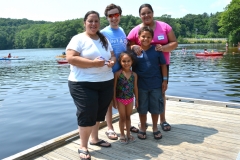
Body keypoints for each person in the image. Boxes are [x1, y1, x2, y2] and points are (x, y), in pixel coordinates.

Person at [66, 10, 116, 160]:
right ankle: (83, 146)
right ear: (85, 23)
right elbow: (70, 58)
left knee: (99, 113)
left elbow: (112, 54)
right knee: (87, 113)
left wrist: (112, 61)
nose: (93, 24)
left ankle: (95, 139)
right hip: (82, 83)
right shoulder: (78, 39)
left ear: (100, 23)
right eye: (90, 21)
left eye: (96, 21)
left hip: (105, 81)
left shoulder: (104, 38)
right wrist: (93, 64)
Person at [127, 3, 178, 132]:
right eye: (143, 13)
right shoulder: (136, 29)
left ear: (153, 13)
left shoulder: (164, 26)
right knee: (142, 94)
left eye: (148, 12)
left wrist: (163, 48)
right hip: (143, 67)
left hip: (161, 65)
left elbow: (175, 43)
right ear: (140, 16)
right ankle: (142, 123)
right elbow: (128, 44)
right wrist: (134, 47)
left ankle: (162, 120)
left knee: (161, 92)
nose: (146, 15)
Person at [101, 3, 138, 141]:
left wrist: (133, 48)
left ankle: (126, 125)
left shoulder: (122, 30)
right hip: (110, 72)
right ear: (107, 18)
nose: (114, 18)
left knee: (126, 98)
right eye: (110, 16)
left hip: (124, 71)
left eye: (116, 15)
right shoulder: (104, 32)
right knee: (110, 101)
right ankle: (110, 128)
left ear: (120, 16)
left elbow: (126, 47)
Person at [132, 26, 168, 140]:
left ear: (152, 38)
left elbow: (163, 65)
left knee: (155, 108)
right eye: (143, 36)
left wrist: (165, 80)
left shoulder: (157, 50)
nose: (145, 39)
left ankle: (155, 128)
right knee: (142, 108)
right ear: (138, 37)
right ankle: (142, 127)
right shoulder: (136, 52)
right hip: (141, 85)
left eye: (148, 37)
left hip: (155, 84)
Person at [113, 52, 138, 143]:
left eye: (128, 61)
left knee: (128, 117)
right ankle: (122, 135)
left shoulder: (134, 75)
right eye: (124, 61)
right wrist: (114, 100)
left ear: (132, 62)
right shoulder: (117, 74)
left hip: (130, 99)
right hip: (120, 99)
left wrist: (137, 100)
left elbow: (135, 88)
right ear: (120, 62)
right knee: (122, 117)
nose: (126, 63)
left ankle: (128, 133)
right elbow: (114, 88)